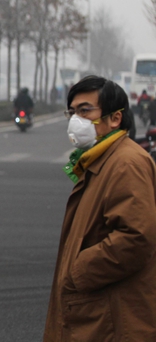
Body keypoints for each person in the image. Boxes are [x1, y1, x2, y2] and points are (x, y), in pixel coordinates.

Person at [44, 75, 156, 341]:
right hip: (96, 311)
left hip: (110, 318)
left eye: (85, 110)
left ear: (115, 118)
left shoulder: (126, 162)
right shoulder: (100, 159)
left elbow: (135, 237)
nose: (75, 119)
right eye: (72, 112)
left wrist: (77, 273)